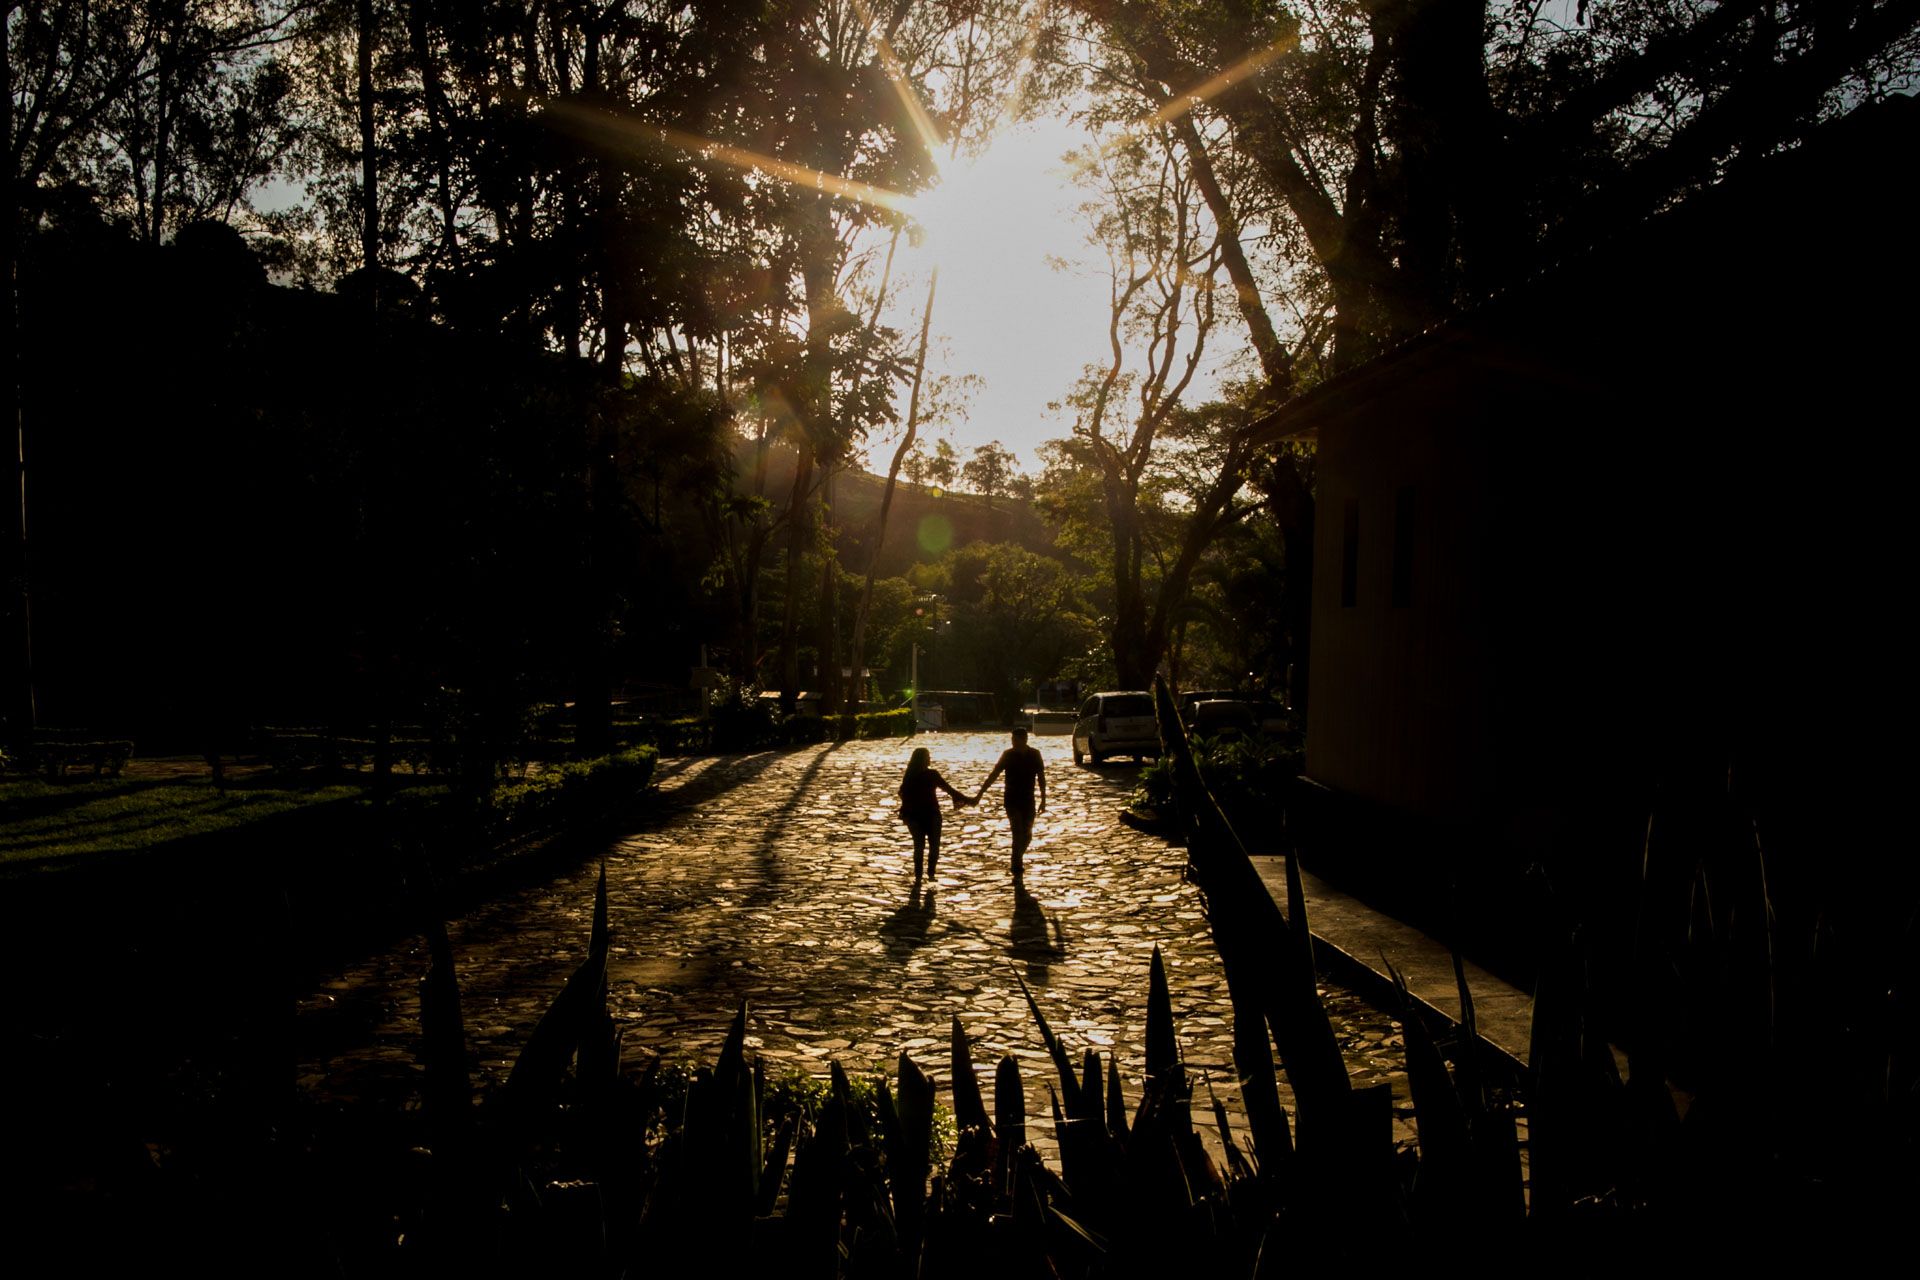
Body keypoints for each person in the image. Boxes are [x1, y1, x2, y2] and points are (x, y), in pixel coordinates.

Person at [976, 726, 1047, 882]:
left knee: (1027, 834)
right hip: (1011, 799)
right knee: (1017, 831)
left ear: (1024, 740)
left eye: (1015, 740)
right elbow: (994, 774)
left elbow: (1041, 777)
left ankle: (1017, 856)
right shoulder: (1008, 755)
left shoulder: (1035, 755)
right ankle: (1016, 864)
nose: (1013, 742)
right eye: (1012, 740)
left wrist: (1043, 799)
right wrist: (980, 794)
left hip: (1029, 800)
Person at [897, 746, 972, 881]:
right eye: (928, 757)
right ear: (924, 760)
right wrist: (968, 800)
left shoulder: (909, 776)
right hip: (931, 814)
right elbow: (950, 790)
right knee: (934, 845)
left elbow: (902, 793)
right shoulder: (932, 775)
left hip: (913, 815)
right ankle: (931, 873)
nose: (930, 759)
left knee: (918, 846)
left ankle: (918, 876)